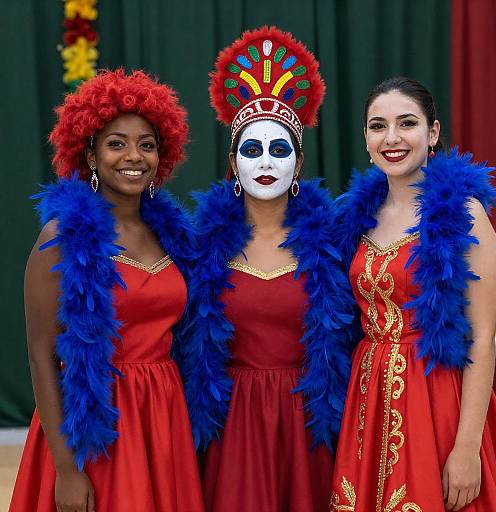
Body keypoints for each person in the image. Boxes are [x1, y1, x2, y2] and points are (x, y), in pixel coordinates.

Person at [176, 26, 355, 512]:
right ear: (233, 165)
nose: (266, 163)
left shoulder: (337, 244)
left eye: (280, 149)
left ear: (298, 165)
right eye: (251, 150)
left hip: (310, 426)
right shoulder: (198, 247)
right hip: (231, 428)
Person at [10, 69, 204, 512]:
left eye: (147, 144)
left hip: (163, 416)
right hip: (97, 426)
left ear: (162, 156)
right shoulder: (61, 237)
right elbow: (41, 355)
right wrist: (66, 468)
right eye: (116, 143)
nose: (133, 156)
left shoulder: (173, 236)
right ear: (91, 155)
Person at [329, 77, 496, 512]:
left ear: (432, 133)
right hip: (368, 397)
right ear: (366, 138)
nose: (391, 138)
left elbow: (482, 340)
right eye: (378, 126)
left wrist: (466, 449)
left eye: (406, 123)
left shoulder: (464, 215)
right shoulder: (356, 217)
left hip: (437, 399)